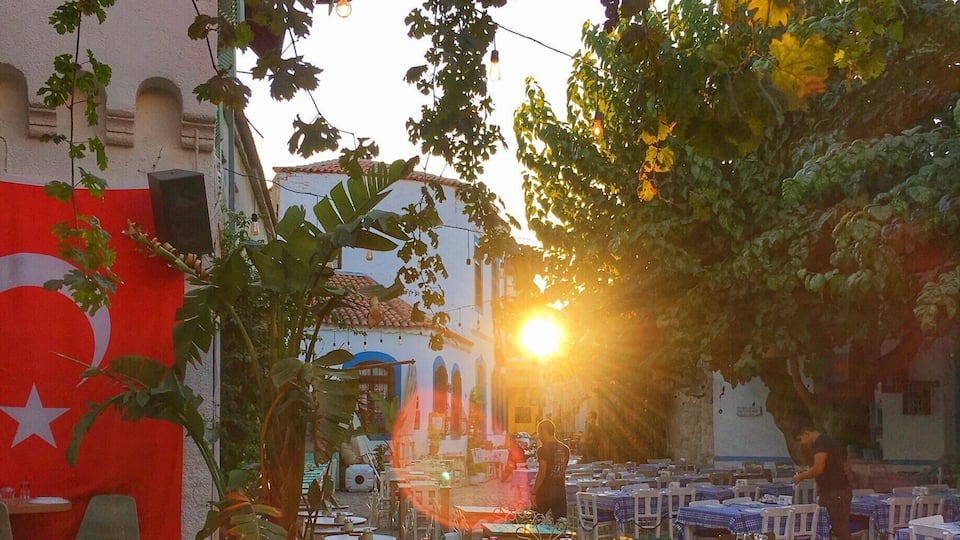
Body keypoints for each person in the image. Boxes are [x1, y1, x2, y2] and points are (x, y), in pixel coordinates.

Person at [792, 426, 852, 540]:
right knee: (826, 527)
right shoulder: (824, 442)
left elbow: (818, 468)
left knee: (840, 529)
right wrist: (806, 472)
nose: (802, 443)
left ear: (806, 433)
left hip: (836, 491)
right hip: (831, 491)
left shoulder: (822, 442)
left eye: (800, 439)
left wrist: (800, 477)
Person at [532, 419, 571, 520]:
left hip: (546, 491)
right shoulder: (565, 449)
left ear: (544, 432)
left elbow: (542, 473)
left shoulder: (543, 449)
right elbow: (563, 470)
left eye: (540, 433)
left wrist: (534, 492)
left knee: (535, 521)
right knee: (560, 523)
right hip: (560, 491)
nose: (539, 437)